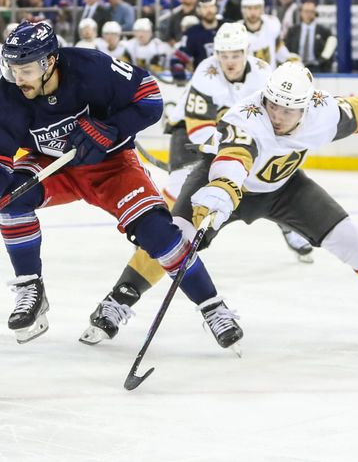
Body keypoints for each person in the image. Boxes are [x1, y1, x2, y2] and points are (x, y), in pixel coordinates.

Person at [85, 61, 358, 344]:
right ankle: (119, 301)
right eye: (272, 104)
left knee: (349, 237)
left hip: (284, 188)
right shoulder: (247, 117)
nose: (276, 115)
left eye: (287, 110)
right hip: (225, 182)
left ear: (308, 108)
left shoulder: (325, 114)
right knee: (172, 238)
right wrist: (221, 192)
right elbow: (234, 155)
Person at [0, 21, 240, 349]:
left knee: (158, 233)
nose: (18, 79)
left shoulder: (90, 67)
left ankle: (212, 307)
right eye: (13, 68)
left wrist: (112, 128)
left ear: (50, 62)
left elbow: (149, 98)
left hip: (113, 165)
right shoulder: (7, 95)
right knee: (8, 199)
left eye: (27, 69)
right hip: (53, 166)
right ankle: (30, 287)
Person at [80, 25, 311, 345]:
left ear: (248, 53)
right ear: (215, 55)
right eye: (224, 55)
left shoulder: (265, 75)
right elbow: (201, 132)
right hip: (201, 149)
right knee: (176, 231)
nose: (229, 61)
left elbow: (278, 128)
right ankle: (118, 301)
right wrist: (233, 155)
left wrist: (244, 155)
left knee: (279, 194)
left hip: (250, 162)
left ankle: (288, 227)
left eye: (236, 55)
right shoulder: (206, 73)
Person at [284, 1, 337, 73]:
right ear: (301, 13)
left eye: (311, 12)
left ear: (315, 14)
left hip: (318, 68)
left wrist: (320, 62)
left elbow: (328, 52)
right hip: (296, 67)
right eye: (306, 11)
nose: (308, 14)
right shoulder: (293, 30)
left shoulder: (324, 31)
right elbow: (287, 49)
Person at [241, 0, 290, 69]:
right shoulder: (237, 31)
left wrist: (291, 60)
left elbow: (279, 49)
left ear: (262, 9)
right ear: (243, 10)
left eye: (256, 8)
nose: (253, 12)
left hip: (270, 77)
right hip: (248, 78)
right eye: (249, 8)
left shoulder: (271, 24)